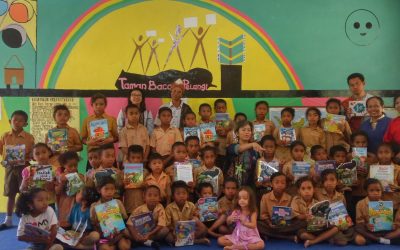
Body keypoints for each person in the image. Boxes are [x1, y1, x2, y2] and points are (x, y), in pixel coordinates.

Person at [0, 110, 35, 230]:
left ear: (25, 123)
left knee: (25, 194)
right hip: (10, 168)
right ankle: (8, 220)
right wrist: (4, 161)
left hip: (25, 168)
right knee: (10, 194)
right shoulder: (4, 136)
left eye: (21, 121)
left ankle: (26, 220)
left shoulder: (29, 138)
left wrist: (29, 158)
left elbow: (33, 154)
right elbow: (2, 153)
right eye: (15, 120)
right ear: (10, 121)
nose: (17, 122)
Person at [291, 176, 339, 248]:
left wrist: (321, 220)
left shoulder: (317, 203)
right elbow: (297, 216)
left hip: (316, 227)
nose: (306, 191)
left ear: (314, 190)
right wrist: (306, 216)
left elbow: (322, 217)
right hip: (304, 227)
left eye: (309, 188)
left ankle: (313, 241)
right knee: (303, 235)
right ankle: (323, 238)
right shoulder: (296, 200)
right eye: (303, 189)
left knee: (336, 228)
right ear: (299, 191)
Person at [258, 172, 305, 242]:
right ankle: (287, 237)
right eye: (277, 182)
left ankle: (271, 235)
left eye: (283, 183)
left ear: (286, 185)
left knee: (302, 223)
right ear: (271, 184)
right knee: (257, 225)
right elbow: (264, 215)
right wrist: (269, 223)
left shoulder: (289, 198)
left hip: (286, 225)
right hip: (271, 225)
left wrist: (287, 219)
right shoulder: (265, 197)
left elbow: (293, 214)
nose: (279, 185)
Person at [354, 178, 400, 245]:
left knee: (398, 230)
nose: (375, 193)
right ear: (366, 192)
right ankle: (379, 240)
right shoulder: (360, 204)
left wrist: (393, 225)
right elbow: (359, 222)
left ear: (381, 191)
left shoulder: (384, 204)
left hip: (382, 231)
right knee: (358, 229)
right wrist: (366, 225)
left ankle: (375, 239)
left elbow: (388, 221)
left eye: (378, 190)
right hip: (367, 231)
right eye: (371, 190)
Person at [90, 176, 131, 250]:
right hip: (104, 237)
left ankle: (127, 241)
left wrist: (119, 235)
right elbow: (93, 225)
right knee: (105, 249)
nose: (109, 192)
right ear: (99, 190)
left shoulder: (118, 203)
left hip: (119, 235)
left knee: (125, 247)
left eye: (112, 189)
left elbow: (124, 220)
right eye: (106, 189)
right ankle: (113, 246)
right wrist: (102, 233)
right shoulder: (94, 207)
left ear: (115, 190)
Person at [315, 169, 354, 246]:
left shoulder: (341, 196)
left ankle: (327, 237)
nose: (329, 183)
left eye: (332, 179)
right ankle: (329, 236)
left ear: (337, 182)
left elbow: (343, 213)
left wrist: (346, 222)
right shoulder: (316, 192)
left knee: (352, 230)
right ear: (322, 182)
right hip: (324, 224)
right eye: (325, 180)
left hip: (337, 224)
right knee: (342, 242)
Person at [165, 181, 209, 245]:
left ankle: (186, 241)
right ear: (173, 196)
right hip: (176, 232)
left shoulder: (191, 205)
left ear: (187, 195)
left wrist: (197, 215)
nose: (181, 196)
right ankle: (195, 241)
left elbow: (197, 219)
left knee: (204, 229)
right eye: (178, 194)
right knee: (169, 238)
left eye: (184, 193)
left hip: (188, 231)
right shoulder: (169, 208)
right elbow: (168, 225)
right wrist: (173, 230)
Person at [81, 93, 118, 170]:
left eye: (101, 104)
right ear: (92, 105)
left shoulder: (111, 119)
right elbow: (83, 139)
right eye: (96, 104)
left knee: (111, 176)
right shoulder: (87, 120)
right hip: (93, 155)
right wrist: (89, 142)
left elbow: (117, 137)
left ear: (105, 105)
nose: (98, 106)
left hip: (108, 154)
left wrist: (110, 140)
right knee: (92, 177)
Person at [225, 120, 263, 188]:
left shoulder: (255, 150)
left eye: (249, 130)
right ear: (237, 133)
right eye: (243, 130)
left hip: (250, 186)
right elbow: (239, 149)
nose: (247, 132)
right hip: (233, 187)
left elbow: (258, 168)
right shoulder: (231, 147)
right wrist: (253, 144)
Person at [20, 143, 57, 209]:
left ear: (49, 152)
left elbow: (57, 191)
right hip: (33, 203)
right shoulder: (27, 170)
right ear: (33, 157)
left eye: (44, 152)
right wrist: (24, 185)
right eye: (37, 154)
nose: (41, 156)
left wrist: (51, 186)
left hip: (49, 203)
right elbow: (22, 190)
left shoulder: (55, 170)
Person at [55, 151, 85, 228]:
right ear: (63, 165)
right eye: (70, 166)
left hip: (77, 201)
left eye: (75, 165)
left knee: (76, 220)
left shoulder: (80, 175)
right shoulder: (61, 177)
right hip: (65, 201)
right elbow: (57, 191)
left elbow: (83, 188)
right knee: (65, 221)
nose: (73, 168)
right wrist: (62, 182)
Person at [122, 145, 148, 213]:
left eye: (138, 157)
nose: (136, 160)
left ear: (142, 158)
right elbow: (119, 190)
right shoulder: (123, 172)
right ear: (128, 158)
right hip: (128, 205)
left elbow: (149, 188)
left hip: (142, 205)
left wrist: (145, 185)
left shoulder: (145, 172)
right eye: (133, 157)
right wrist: (123, 184)